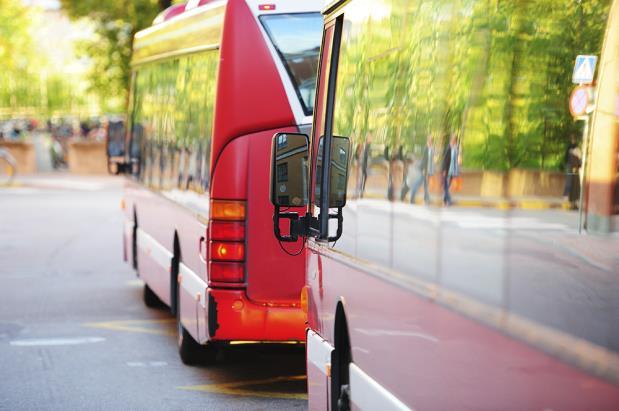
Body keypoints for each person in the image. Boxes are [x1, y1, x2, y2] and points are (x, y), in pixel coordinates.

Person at [404, 135, 434, 204]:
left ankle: (426, 199)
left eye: (431, 141)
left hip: (428, 170)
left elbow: (431, 161)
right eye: (429, 140)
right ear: (427, 141)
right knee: (418, 184)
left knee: (426, 185)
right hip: (424, 170)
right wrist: (424, 170)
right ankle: (412, 197)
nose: (430, 142)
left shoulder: (431, 149)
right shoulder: (426, 149)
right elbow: (424, 160)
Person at [563, 136, 581, 209]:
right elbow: (567, 160)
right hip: (571, 169)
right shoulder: (569, 149)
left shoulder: (576, 149)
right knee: (570, 184)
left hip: (574, 170)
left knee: (575, 185)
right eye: (572, 139)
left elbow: (579, 162)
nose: (573, 140)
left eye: (574, 139)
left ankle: (574, 203)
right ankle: (570, 202)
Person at [442, 134, 460, 206]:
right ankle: (449, 201)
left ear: (456, 140)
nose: (453, 141)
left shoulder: (456, 148)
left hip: (453, 170)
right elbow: (445, 160)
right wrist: (444, 170)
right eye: (452, 139)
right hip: (447, 169)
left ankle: (444, 200)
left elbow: (457, 159)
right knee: (446, 185)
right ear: (450, 140)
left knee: (448, 185)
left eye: (454, 139)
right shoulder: (448, 148)